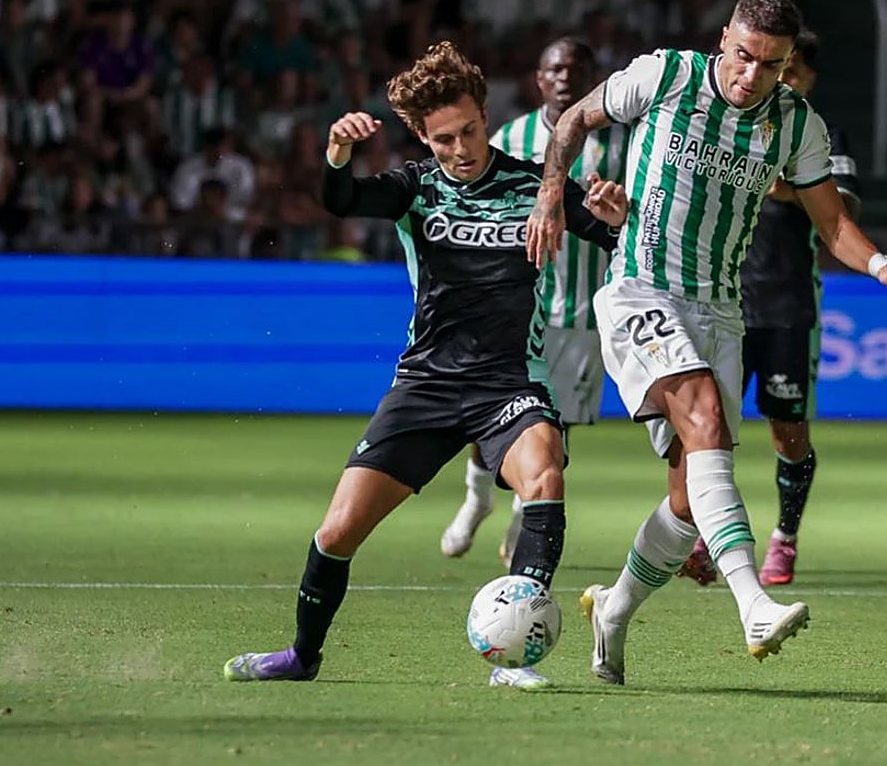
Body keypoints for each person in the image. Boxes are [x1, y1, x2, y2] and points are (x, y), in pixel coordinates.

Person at [524, 0, 887, 685]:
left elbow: (831, 223)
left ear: (787, 65)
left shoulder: (796, 123)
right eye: (743, 56)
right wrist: (548, 197)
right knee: (708, 422)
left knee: (689, 499)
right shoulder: (667, 77)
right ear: (724, 41)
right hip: (640, 289)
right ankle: (753, 605)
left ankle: (615, 608)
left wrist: (879, 262)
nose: (752, 75)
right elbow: (572, 120)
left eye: (770, 65)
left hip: (720, 311)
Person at [222, 41, 629, 691]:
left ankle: (514, 660)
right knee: (336, 532)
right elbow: (342, 200)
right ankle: (301, 656)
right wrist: (337, 151)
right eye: (443, 139)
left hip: (508, 386)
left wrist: (616, 220)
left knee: (545, 475)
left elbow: (615, 236)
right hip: (426, 384)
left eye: (469, 131)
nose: (461, 148)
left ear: (484, 115)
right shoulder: (416, 187)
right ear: (421, 136)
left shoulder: (533, 185)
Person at [675, 30, 861, 589]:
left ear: (807, 77)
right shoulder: (725, 125)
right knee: (712, 428)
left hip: (786, 305)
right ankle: (710, 534)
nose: (786, 78)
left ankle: (784, 537)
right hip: (720, 299)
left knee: (788, 433)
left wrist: (776, 180)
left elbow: (842, 207)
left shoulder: (813, 136)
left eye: (795, 70)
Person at [439, 36, 628, 566]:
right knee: (490, 415)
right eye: (556, 68)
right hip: (514, 306)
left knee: (553, 425)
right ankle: (477, 501)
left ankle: (525, 512)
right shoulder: (512, 137)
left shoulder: (621, 141)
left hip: (581, 313)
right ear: (539, 79)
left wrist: (616, 206)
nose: (567, 76)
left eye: (579, 68)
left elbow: (637, 210)